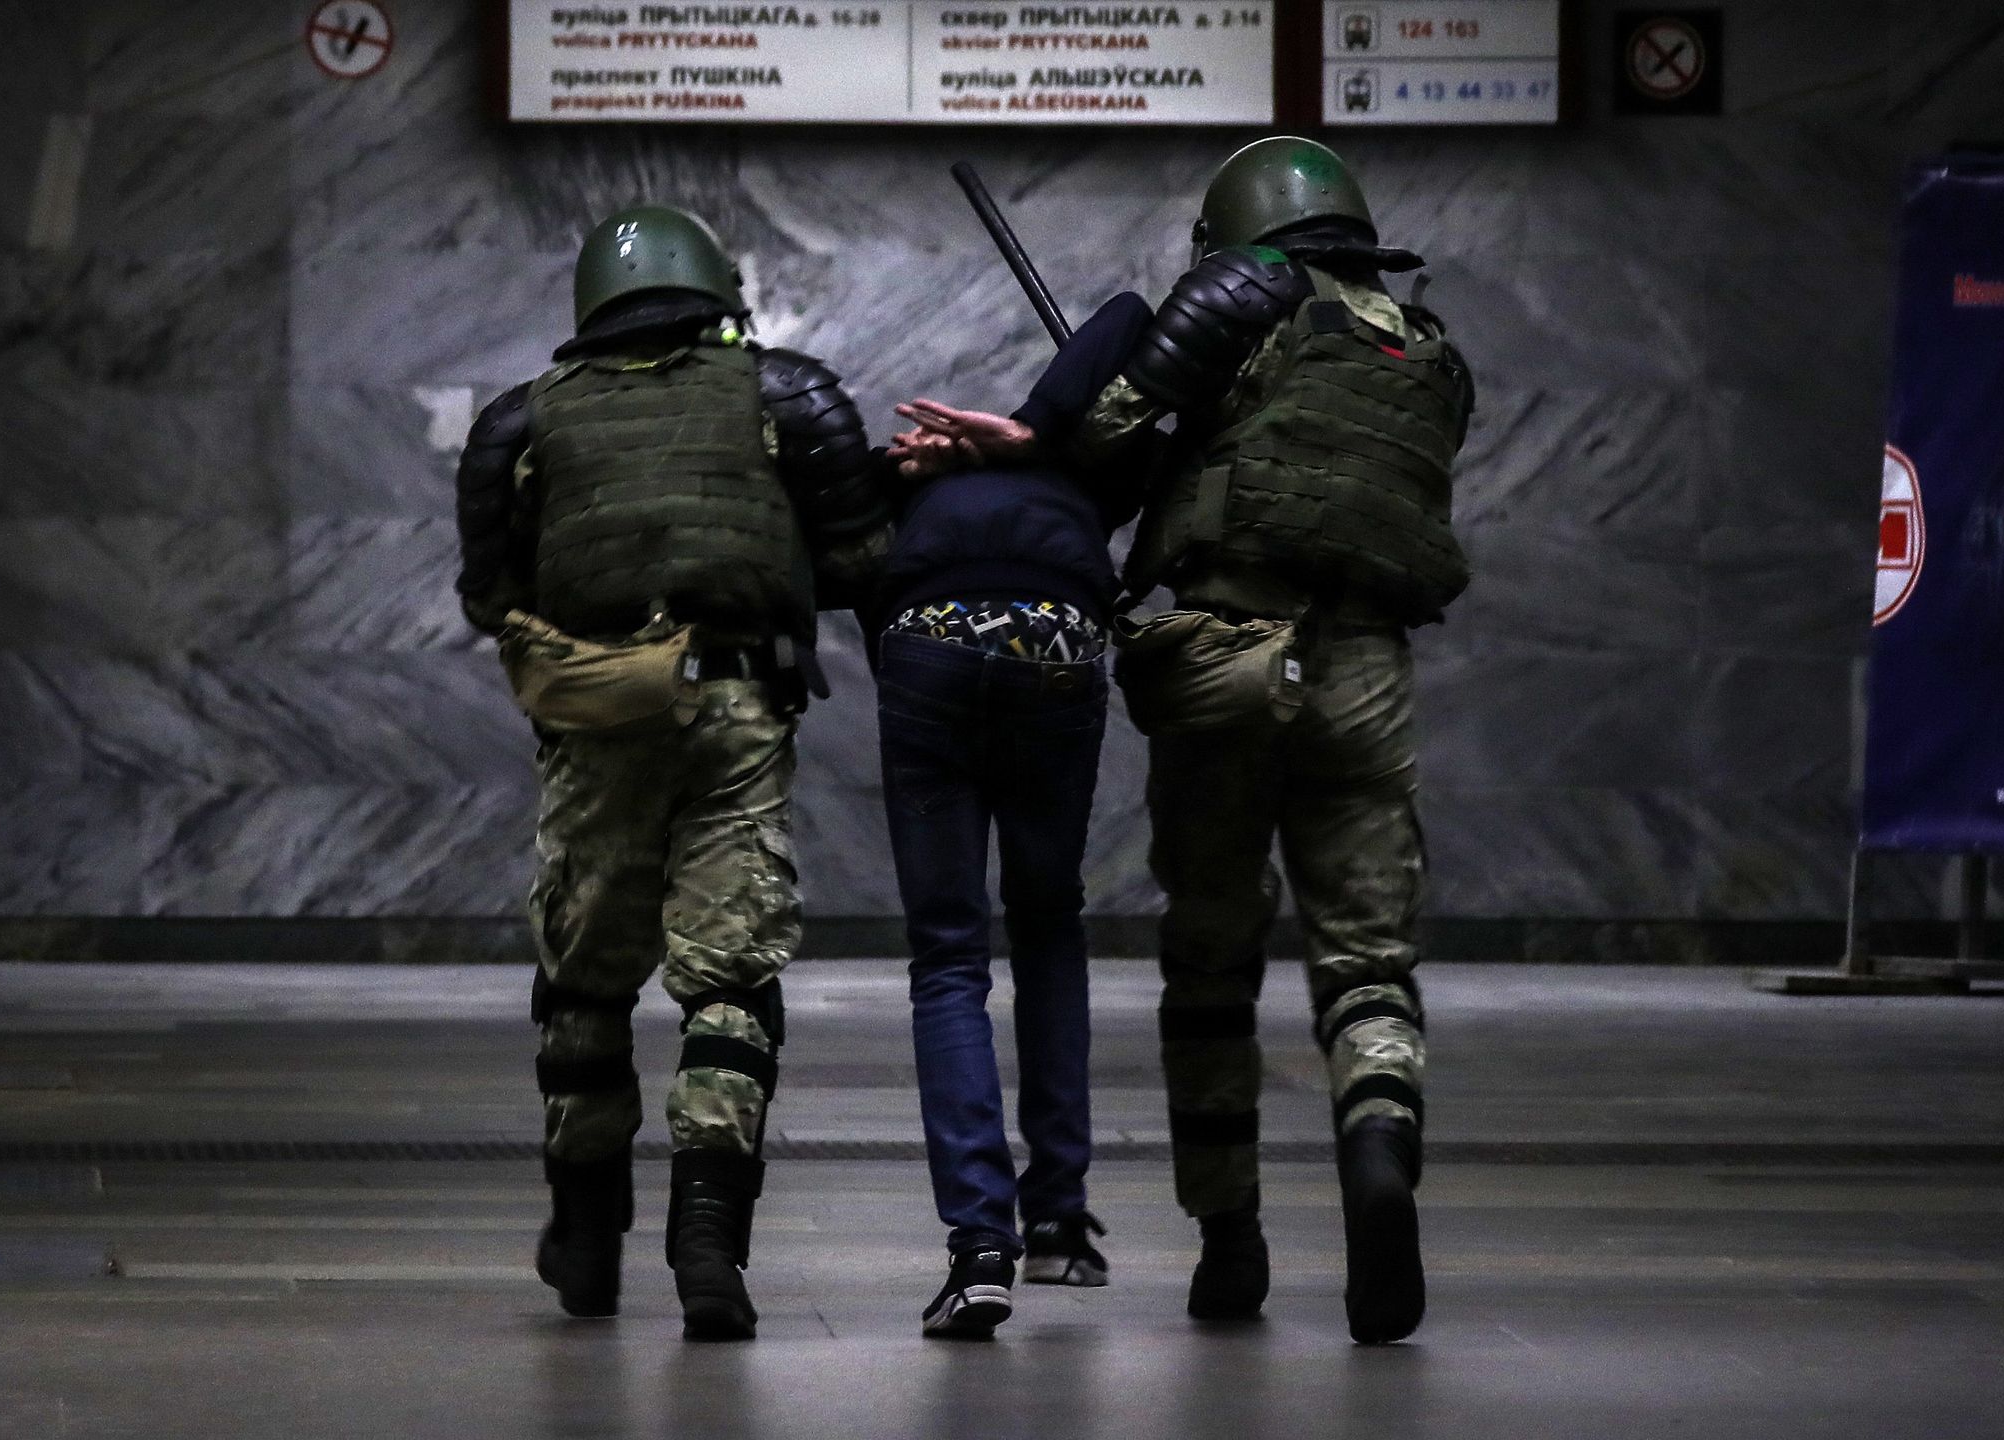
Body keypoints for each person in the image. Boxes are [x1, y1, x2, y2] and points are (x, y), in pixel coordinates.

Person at [893, 136, 1473, 1345]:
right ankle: (1376, 1136)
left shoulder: (1233, 290)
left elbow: (1108, 432)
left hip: (1228, 658)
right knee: (1367, 958)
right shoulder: (1422, 353)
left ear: (1235, 230)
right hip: (1365, 666)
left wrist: (1044, 438)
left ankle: (1231, 1241)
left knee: (1211, 960)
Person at [453, 204, 890, 1340]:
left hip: (598, 713)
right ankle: (709, 1239)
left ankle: (585, 1234)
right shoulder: (787, 393)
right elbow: (861, 556)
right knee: (729, 973)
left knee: (585, 979)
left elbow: (486, 594)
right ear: (717, 293)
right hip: (736, 702)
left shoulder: (518, 421)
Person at [871, 299, 1148, 1338]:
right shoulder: (1095, 477)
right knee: (1047, 928)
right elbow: (1127, 320)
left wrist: (1019, 429)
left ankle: (979, 1246)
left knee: (947, 957)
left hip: (930, 643)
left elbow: (1123, 316)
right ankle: (1061, 1224)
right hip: (1055, 640)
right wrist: (1032, 433)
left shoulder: (1053, 463)